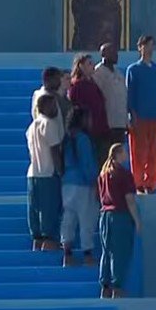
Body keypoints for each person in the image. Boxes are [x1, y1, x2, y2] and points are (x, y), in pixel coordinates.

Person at [97, 143, 140, 298]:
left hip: (105, 217)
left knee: (106, 252)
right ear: (118, 154)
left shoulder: (103, 174)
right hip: (120, 216)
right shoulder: (123, 174)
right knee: (120, 253)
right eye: (124, 152)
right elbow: (129, 199)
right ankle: (117, 287)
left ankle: (105, 286)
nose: (127, 155)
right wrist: (137, 220)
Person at [126, 34, 156, 193]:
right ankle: (137, 183)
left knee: (154, 153)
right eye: (146, 45)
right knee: (138, 152)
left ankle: (150, 184)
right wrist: (132, 112)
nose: (149, 49)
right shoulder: (133, 69)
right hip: (140, 118)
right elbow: (130, 93)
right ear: (140, 47)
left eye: (151, 45)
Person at [60, 107, 100, 267]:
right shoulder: (83, 139)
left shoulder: (67, 139)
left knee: (68, 218)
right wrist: (94, 181)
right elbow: (87, 163)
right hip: (83, 185)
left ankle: (67, 253)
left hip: (67, 183)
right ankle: (87, 254)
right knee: (86, 218)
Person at [26, 93, 64, 252]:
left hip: (33, 173)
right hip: (48, 172)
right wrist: (60, 169)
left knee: (35, 208)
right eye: (53, 105)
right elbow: (54, 149)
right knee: (49, 209)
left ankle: (37, 241)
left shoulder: (32, 126)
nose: (55, 109)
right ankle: (49, 242)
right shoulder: (49, 124)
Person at [68, 53, 110, 164]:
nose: (93, 66)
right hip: (89, 133)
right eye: (89, 63)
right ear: (81, 66)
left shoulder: (92, 83)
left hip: (101, 130)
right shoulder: (77, 86)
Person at [93, 42, 128, 148]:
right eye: (113, 52)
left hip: (120, 123)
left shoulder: (119, 73)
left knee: (119, 153)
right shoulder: (98, 72)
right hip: (107, 123)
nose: (116, 55)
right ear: (104, 54)